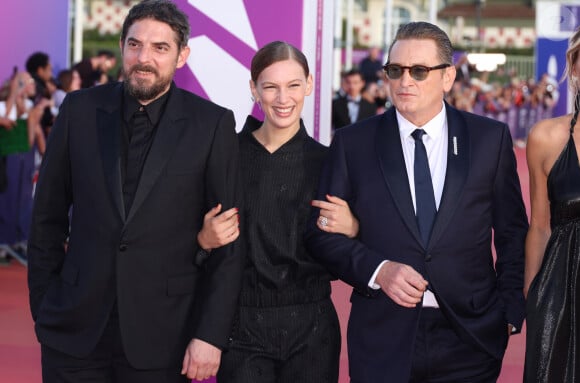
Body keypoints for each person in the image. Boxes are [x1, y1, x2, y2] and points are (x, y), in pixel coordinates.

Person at [27, 1, 243, 382]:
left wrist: (210, 335)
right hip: (73, 333)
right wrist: (45, 307)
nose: (144, 58)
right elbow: (47, 218)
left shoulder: (211, 124)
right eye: (134, 44)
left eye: (160, 48)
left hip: (166, 337)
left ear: (182, 56)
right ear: (121, 47)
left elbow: (229, 245)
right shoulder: (79, 110)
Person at [305, 21, 528, 383]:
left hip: (470, 336)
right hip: (383, 336)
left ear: (448, 77)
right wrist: (379, 271)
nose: (405, 81)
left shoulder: (489, 139)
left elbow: (512, 233)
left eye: (419, 71)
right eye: (395, 70)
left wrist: (509, 311)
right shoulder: (352, 144)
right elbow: (320, 235)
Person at [195, 41, 357, 383]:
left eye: (293, 85)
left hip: (313, 327)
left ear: (309, 85)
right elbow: (184, 233)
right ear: (254, 89)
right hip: (241, 325)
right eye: (270, 87)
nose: (283, 98)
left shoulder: (329, 162)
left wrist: (354, 228)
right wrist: (203, 240)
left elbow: (362, 243)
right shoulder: (226, 158)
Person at [524, 26, 580, 383]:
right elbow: (540, 225)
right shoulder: (544, 138)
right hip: (558, 289)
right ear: (575, 68)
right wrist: (532, 294)